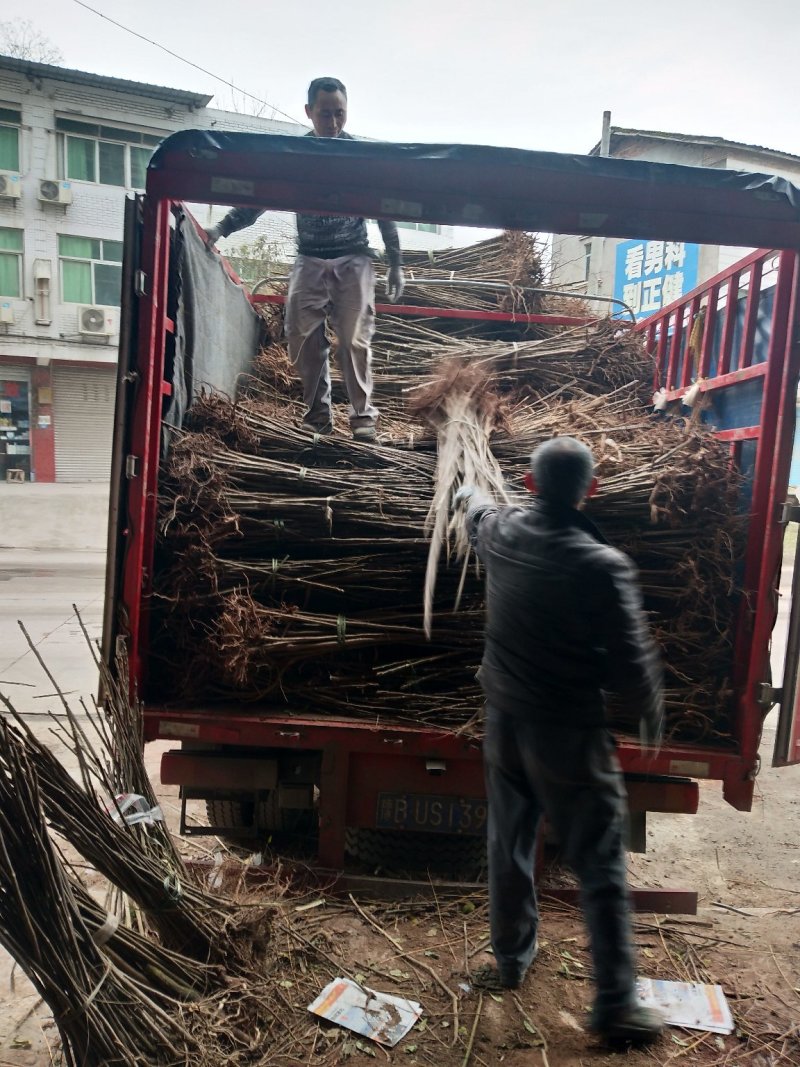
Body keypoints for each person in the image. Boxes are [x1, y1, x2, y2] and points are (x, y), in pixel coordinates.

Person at [455, 437, 665, 1048]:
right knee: (599, 860)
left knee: (509, 840)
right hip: (568, 734)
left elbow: (476, 510)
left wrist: (468, 488)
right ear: (591, 490)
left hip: (504, 723)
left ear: (528, 482)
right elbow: (633, 665)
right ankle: (618, 1007)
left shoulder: (503, 533)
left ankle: (511, 960)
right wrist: (650, 711)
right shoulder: (603, 565)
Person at [205, 77, 404, 441]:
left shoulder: (360, 159)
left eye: (339, 114)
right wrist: (221, 229)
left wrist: (395, 262)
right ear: (309, 112)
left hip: (353, 257)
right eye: (324, 114)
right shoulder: (294, 158)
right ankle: (317, 416)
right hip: (310, 258)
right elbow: (260, 197)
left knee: (353, 337)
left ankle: (362, 419)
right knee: (300, 334)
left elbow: (384, 209)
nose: (332, 122)